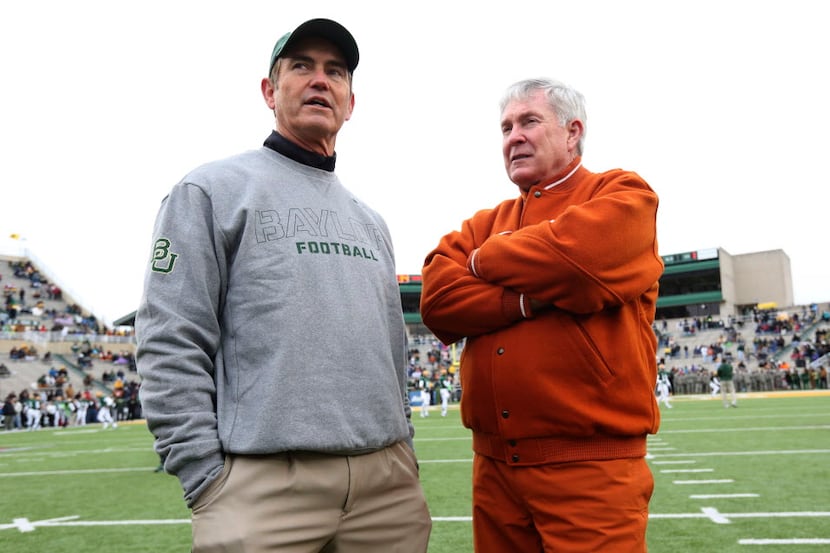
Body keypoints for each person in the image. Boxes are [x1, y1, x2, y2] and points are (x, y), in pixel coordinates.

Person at [135, 18, 431, 553]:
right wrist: (205, 477)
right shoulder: (211, 190)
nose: (320, 80)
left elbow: (394, 350)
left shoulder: (372, 221)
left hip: (385, 489)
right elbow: (170, 334)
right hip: (263, 488)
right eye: (302, 66)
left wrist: (403, 450)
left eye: (334, 71)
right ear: (270, 91)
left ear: (350, 101)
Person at [420, 77, 663, 552]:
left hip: (590, 469)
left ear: (573, 132)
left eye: (529, 121)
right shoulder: (486, 220)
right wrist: (525, 300)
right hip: (493, 468)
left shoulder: (623, 194)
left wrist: (482, 260)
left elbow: (579, 261)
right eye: (506, 127)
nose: (514, 136)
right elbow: (437, 301)